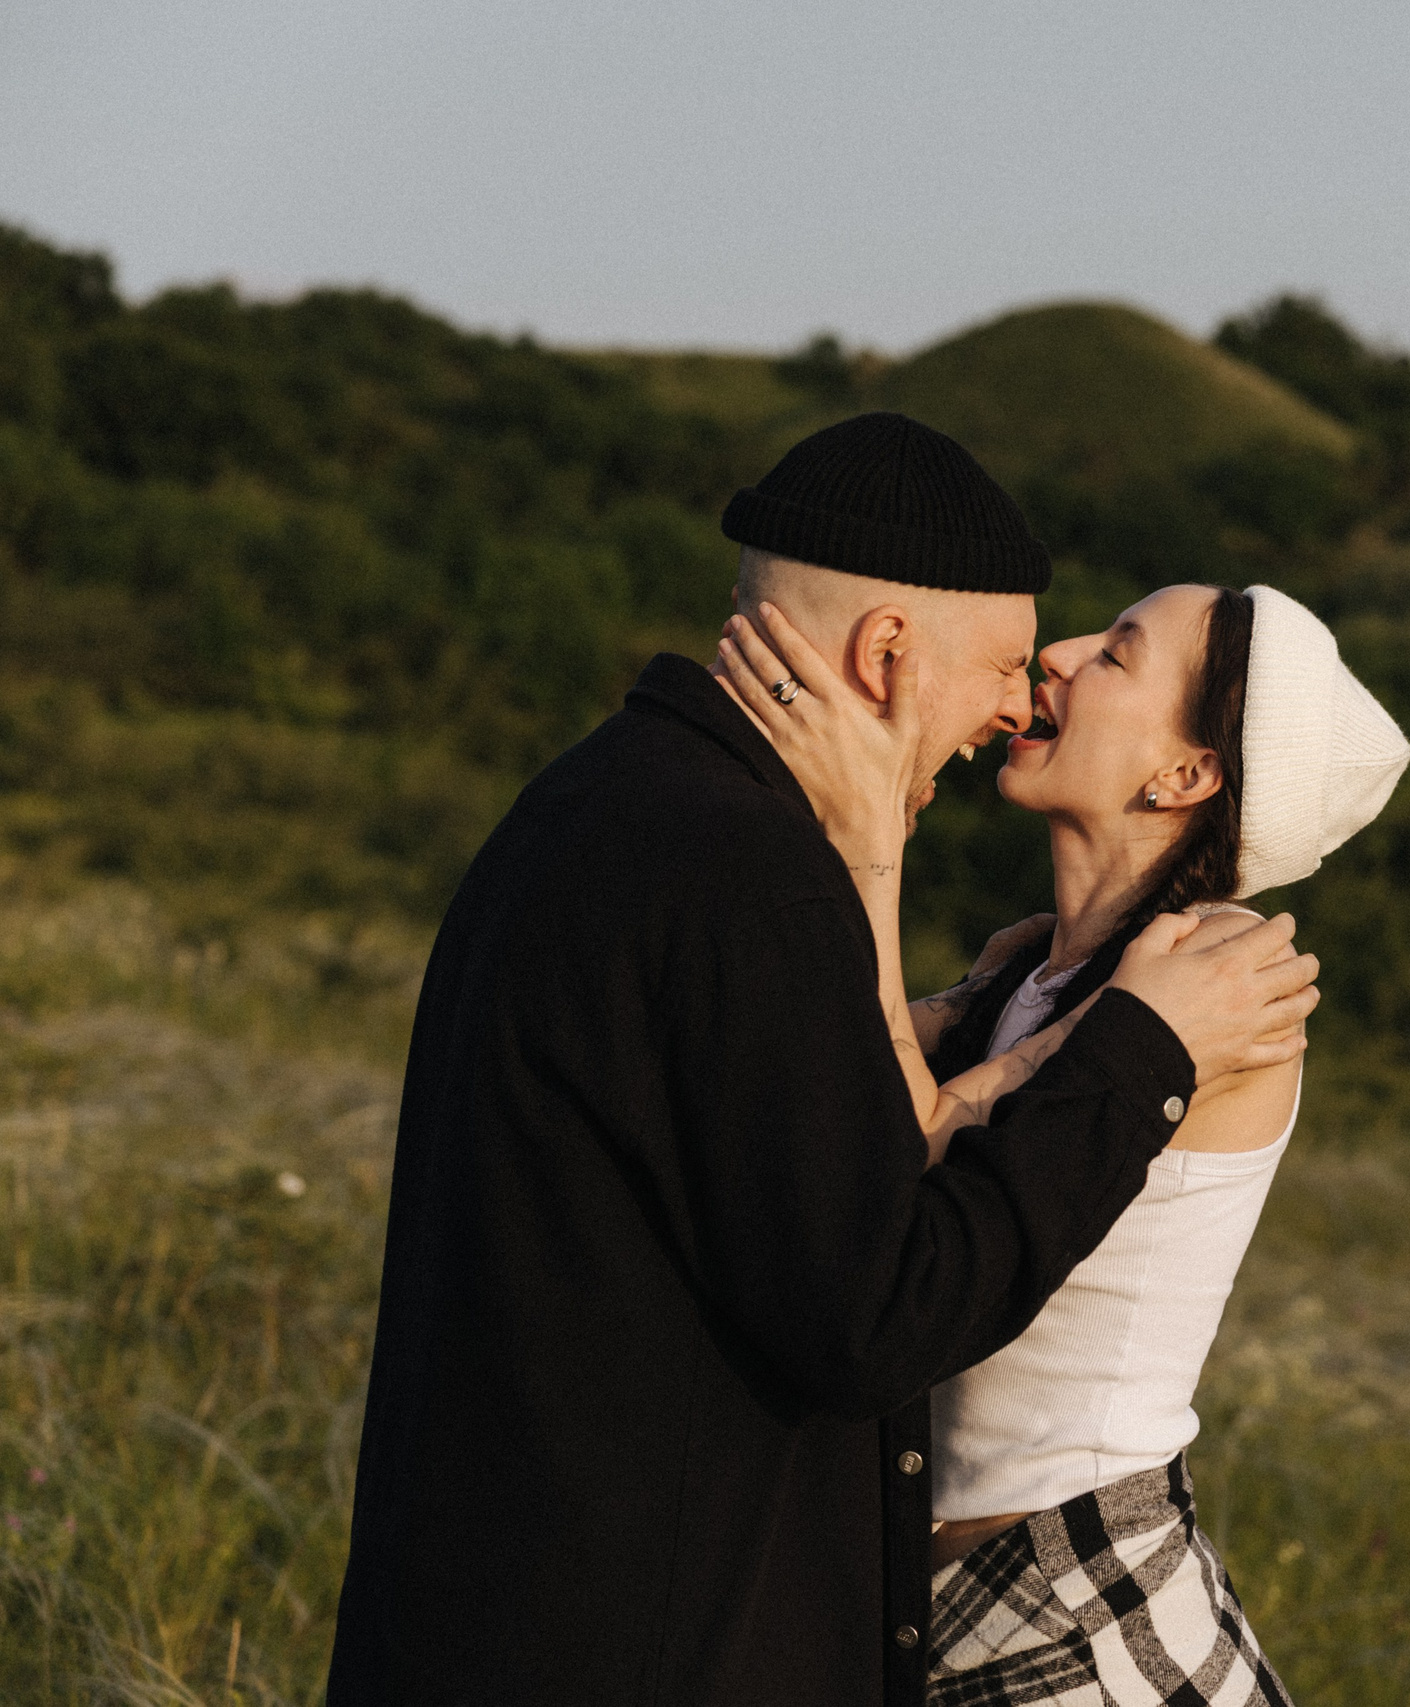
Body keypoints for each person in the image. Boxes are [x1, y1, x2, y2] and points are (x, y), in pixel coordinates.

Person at [328, 414, 1322, 1707]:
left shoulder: (598, 798)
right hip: (633, 1644)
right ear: (888, 650)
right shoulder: (756, 887)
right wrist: (1129, 1052)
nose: (1023, 698)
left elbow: (828, 1154)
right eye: (1013, 662)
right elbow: (876, 1306)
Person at [718, 574, 1410, 1706]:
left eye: (1120, 654)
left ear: (1185, 775)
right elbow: (853, 1076)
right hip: (969, 1596)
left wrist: (867, 833)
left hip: (1084, 1610)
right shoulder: (1030, 967)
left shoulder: (1216, 970)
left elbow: (909, 1137)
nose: (1062, 654)